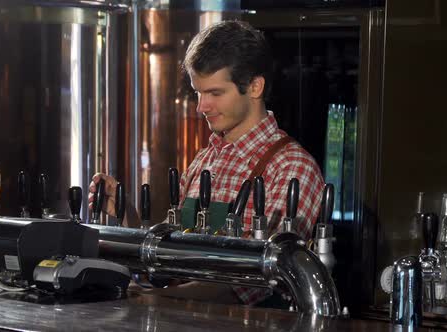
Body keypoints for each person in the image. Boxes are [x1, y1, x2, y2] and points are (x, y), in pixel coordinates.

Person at [88, 20, 325, 306]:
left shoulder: (292, 168)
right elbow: (165, 257)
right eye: (198, 93)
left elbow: (259, 281)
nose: (201, 107)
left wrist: (159, 300)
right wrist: (127, 213)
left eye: (215, 93)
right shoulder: (205, 160)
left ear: (254, 86)